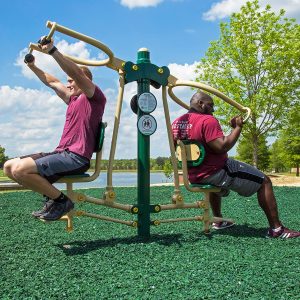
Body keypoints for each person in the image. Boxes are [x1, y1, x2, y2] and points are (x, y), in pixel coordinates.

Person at [172, 91, 300, 239]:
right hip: (215, 171)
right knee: (264, 181)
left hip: (194, 175)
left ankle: (218, 221)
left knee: (216, 179)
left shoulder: (176, 123)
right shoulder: (207, 120)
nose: (213, 110)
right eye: (211, 105)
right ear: (200, 103)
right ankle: (277, 229)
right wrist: (238, 127)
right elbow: (222, 146)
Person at [4, 37, 107, 221]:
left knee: (20, 170)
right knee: (9, 167)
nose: (68, 84)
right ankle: (53, 198)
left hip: (77, 157)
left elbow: (75, 72)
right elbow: (52, 81)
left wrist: (53, 51)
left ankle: (61, 201)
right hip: (62, 153)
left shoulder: (94, 97)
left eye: (71, 81)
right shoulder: (72, 99)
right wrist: (33, 66)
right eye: (68, 81)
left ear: (84, 80)